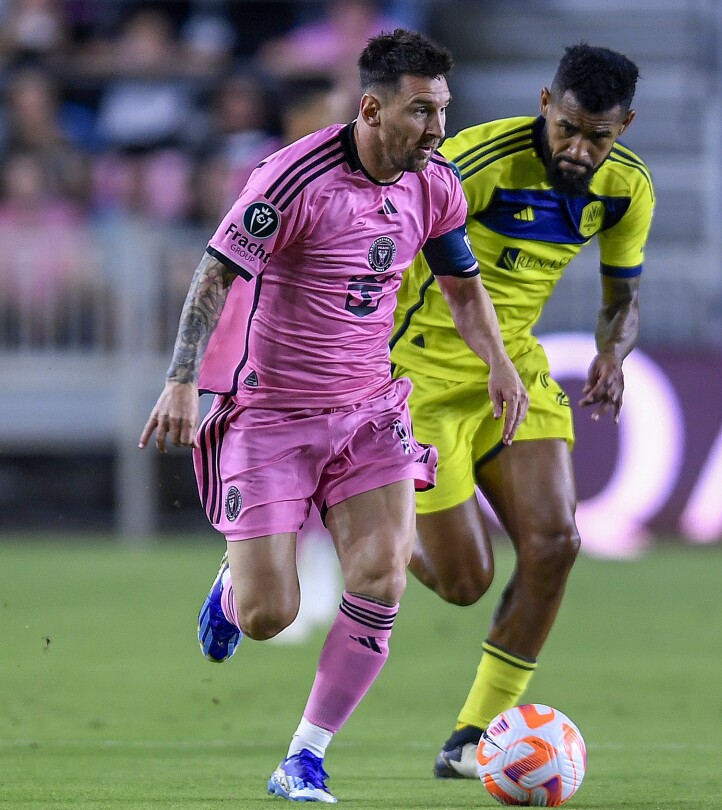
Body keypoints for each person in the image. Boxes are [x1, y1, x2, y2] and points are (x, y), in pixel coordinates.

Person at [137, 30, 528, 803]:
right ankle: (231, 591)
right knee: (269, 615)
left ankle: (304, 758)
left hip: (368, 411)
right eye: (422, 113)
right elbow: (215, 276)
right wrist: (182, 381)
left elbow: (460, 286)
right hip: (271, 416)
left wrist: (501, 363)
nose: (437, 130)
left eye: (443, 111)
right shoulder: (293, 179)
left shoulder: (435, 184)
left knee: (382, 577)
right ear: (373, 108)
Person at [387, 43, 651, 777]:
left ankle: (471, 736)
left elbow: (622, 299)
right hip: (417, 380)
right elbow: (384, 250)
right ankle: (350, 505)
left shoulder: (626, 189)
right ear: (545, 102)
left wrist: (611, 352)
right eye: (568, 127)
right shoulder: (476, 163)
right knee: (463, 582)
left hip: (516, 372)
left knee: (556, 543)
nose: (578, 148)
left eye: (598, 135)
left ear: (624, 126)